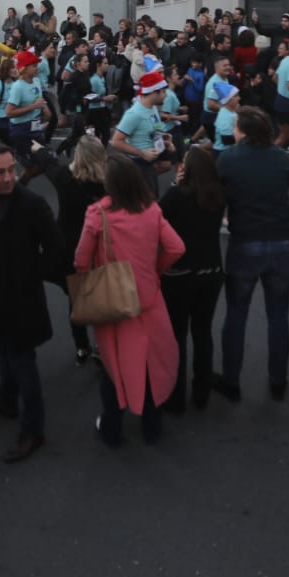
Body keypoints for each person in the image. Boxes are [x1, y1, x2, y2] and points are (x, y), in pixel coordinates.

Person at [74, 155, 184, 446]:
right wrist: (154, 271)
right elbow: (176, 247)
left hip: (115, 300)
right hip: (149, 299)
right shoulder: (151, 209)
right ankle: (152, 425)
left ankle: (112, 428)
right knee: (152, 364)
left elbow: (81, 261)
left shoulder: (97, 213)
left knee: (113, 367)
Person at [0, 141, 64, 463]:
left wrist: (27, 274)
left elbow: (56, 254)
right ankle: (6, 399)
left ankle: (33, 430)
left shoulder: (32, 205)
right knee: (1, 347)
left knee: (23, 362)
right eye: (0, 172)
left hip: (21, 299)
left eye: (12, 169)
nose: (10, 177)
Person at [213, 107, 289, 402]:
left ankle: (231, 380)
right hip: (281, 242)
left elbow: (218, 192)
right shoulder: (279, 156)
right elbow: (285, 183)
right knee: (278, 317)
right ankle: (278, 381)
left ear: (243, 131)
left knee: (236, 315)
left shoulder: (229, 158)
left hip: (245, 241)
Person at [158, 146, 226, 413]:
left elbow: (158, 217)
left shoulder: (176, 195)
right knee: (203, 332)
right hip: (211, 270)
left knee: (176, 336)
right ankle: (201, 392)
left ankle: (175, 398)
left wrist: (176, 182)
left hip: (180, 274)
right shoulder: (218, 195)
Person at [36, 134, 106, 364]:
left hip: (69, 247)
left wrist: (37, 148)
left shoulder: (67, 179)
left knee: (75, 300)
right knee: (101, 296)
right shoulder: (109, 182)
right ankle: (102, 344)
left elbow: (49, 164)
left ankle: (81, 347)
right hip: (98, 245)